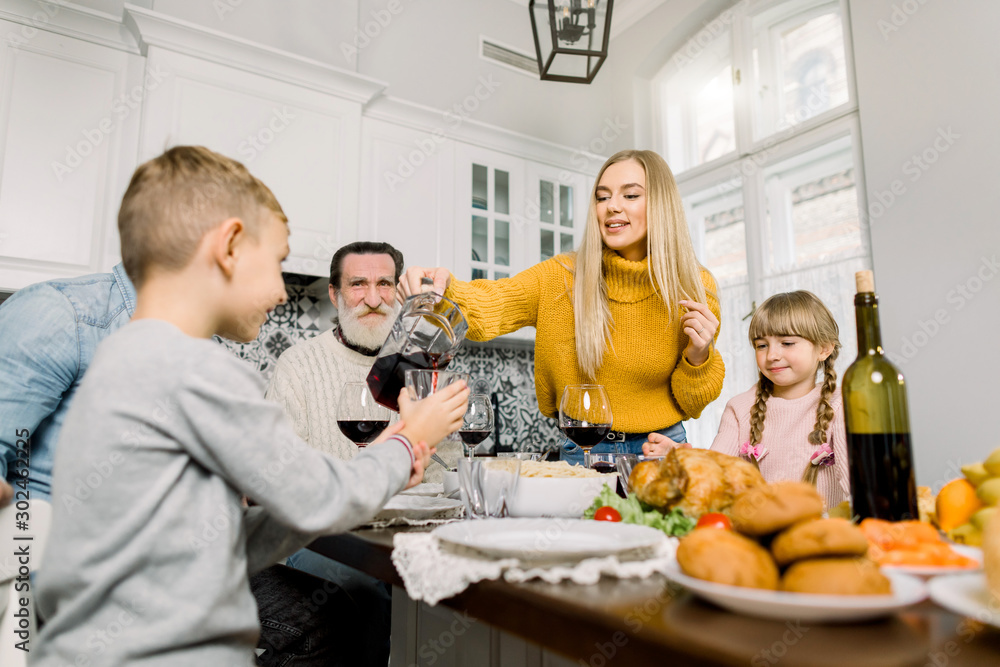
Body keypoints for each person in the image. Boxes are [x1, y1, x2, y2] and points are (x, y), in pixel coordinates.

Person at [32, 146, 469, 666]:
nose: (284, 293)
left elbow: (218, 536)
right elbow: (321, 494)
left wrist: (385, 469)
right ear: (230, 246)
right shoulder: (194, 372)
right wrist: (405, 441)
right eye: (278, 262)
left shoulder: (123, 360)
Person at [399, 149, 725, 461]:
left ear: (661, 204)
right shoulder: (561, 276)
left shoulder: (694, 286)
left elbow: (693, 403)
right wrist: (442, 288)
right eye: (602, 196)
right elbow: (492, 305)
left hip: (661, 449)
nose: (612, 206)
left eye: (630, 195)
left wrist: (699, 356)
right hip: (582, 451)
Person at [265, 241, 415, 667]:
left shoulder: (416, 368)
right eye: (358, 284)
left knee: (435, 596)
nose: (373, 298)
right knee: (366, 590)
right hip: (319, 540)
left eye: (385, 283)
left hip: (397, 537)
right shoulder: (298, 365)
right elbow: (283, 480)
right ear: (334, 294)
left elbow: (443, 469)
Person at [647, 291, 850, 509]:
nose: (772, 355)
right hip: (756, 533)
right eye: (762, 345)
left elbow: (858, 486)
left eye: (787, 343)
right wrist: (680, 456)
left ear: (824, 349)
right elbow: (715, 473)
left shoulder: (841, 405)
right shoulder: (740, 408)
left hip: (821, 535)